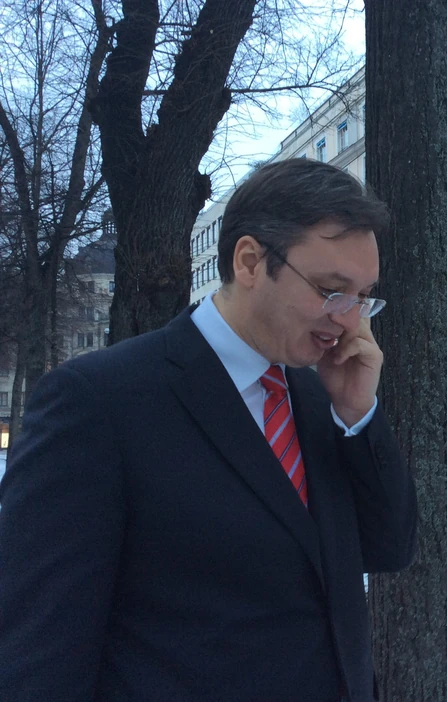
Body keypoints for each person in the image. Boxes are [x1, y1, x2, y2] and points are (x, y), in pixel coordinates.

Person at [0, 160, 418, 701]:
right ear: (250, 262)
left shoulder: (322, 394)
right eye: (331, 290)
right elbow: (39, 650)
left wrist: (358, 415)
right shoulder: (98, 402)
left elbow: (389, 549)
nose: (350, 319)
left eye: (362, 296)